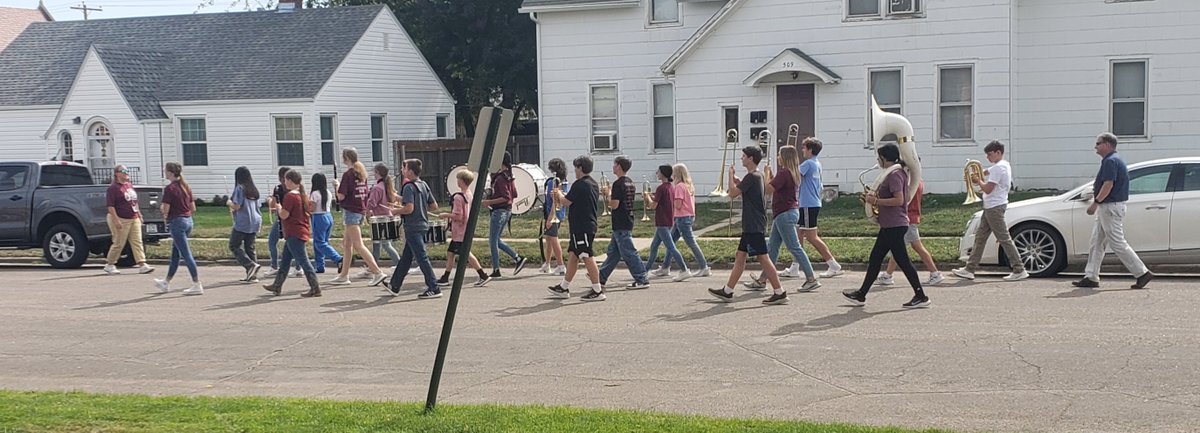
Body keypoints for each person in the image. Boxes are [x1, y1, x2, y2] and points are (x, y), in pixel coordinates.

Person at [842, 145, 930, 308]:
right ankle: (861, 294)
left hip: (895, 225)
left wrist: (876, 201)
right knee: (876, 258)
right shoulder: (894, 173)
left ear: (884, 158)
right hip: (890, 224)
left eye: (879, 157)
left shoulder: (895, 175)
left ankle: (921, 296)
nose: (877, 160)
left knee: (902, 261)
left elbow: (899, 200)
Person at [707, 146, 789, 305]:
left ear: (751, 159)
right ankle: (728, 291)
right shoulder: (756, 176)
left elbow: (732, 193)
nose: (741, 159)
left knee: (763, 258)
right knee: (740, 256)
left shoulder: (752, 177)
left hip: (753, 224)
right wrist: (737, 181)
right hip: (751, 223)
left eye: (744, 156)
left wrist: (730, 176)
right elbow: (744, 189)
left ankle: (780, 292)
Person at [1073, 133, 1154, 289]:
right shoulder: (1112, 160)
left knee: (1117, 242)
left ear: (1107, 145)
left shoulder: (1111, 161)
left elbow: (1108, 184)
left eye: (1098, 143)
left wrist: (1095, 203)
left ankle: (1142, 273)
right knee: (1096, 242)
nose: (1095, 146)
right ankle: (1091, 276)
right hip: (1109, 206)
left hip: (1110, 207)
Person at [952, 140, 1029, 282]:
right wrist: (974, 176)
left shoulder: (999, 168)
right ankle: (970, 269)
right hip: (991, 207)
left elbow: (988, 188)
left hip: (994, 207)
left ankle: (1019, 268)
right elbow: (986, 172)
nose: (988, 157)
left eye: (990, 154)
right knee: (980, 238)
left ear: (998, 152)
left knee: (1004, 238)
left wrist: (977, 180)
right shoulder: (1002, 165)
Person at [748, 145, 820, 292]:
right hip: (787, 212)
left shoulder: (785, 173)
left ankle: (811, 278)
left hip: (784, 214)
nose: (778, 158)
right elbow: (778, 185)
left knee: (794, 247)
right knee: (772, 248)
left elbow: (767, 190)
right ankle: (762, 280)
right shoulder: (791, 173)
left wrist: (766, 174)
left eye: (780, 155)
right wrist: (772, 176)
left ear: (785, 157)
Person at [548, 156, 603, 300]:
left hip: (582, 226)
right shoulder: (592, 183)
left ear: (580, 168)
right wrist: (562, 195)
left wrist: (557, 193)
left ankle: (597, 290)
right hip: (584, 225)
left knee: (586, 256)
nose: (575, 170)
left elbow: (566, 202)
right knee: (573, 256)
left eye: (576, 167)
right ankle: (564, 288)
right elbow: (575, 199)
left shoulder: (580, 184)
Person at [330, 148, 387, 286]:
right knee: (347, 244)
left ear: (346, 158)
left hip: (351, 211)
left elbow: (341, 196)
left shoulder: (348, 174)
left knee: (358, 245)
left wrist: (337, 186)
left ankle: (377, 272)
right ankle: (344, 275)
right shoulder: (361, 173)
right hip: (360, 209)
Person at [386, 159, 441, 299]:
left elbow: (409, 208)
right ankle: (395, 285)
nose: (402, 171)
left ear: (410, 171)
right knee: (406, 258)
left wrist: (395, 211)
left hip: (413, 226)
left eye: (404, 168)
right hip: (423, 224)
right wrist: (418, 207)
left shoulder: (409, 186)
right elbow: (434, 206)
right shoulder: (423, 184)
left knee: (422, 258)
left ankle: (434, 287)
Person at [262, 169, 322, 297]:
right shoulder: (302, 195)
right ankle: (277, 285)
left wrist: (278, 208)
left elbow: (284, 215)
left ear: (289, 181)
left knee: (304, 261)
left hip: (294, 233)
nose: (284, 182)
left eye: (285, 179)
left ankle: (315, 287)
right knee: (285, 260)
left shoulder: (290, 196)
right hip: (298, 232)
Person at [596, 155, 650, 296]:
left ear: (619, 166)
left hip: (620, 221)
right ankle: (600, 277)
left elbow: (614, 205)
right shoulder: (630, 182)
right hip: (627, 219)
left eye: (614, 164)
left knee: (629, 252)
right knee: (614, 252)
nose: (613, 167)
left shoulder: (618, 184)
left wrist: (607, 194)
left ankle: (641, 278)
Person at [876, 179, 944, 286]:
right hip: (911, 217)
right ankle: (887, 275)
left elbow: (902, 199)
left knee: (906, 248)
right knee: (906, 247)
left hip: (908, 217)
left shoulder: (909, 182)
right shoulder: (918, 180)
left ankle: (935, 273)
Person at [794, 138, 843, 278]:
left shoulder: (808, 164)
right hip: (810, 203)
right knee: (799, 235)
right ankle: (795, 267)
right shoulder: (817, 163)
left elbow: (794, 176)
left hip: (808, 204)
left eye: (804, 148)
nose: (802, 150)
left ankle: (833, 265)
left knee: (811, 237)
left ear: (810, 150)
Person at [153, 162, 203, 295]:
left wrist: (163, 212)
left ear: (170, 172)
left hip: (177, 223)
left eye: (165, 170)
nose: (164, 172)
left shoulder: (170, 189)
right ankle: (166, 282)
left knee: (186, 254)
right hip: (188, 221)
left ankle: (197, 283)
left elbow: (166, 209)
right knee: (175, 254)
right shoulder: (186, 187)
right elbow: (193, 208)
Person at [437, 169, 492, 288]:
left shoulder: (458, 197)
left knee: (466, 254)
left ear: (461, 181)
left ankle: (483, 275)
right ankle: (445, 277)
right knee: (451, 253)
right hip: (465, 228)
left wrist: (445, 215)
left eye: (458, 179)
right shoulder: (469, 194)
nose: (457, 181)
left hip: (459, 231)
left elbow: (459, 216)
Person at [481, 152, 528, 278]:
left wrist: (489, 201)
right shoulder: (509, 176)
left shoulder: (501, 178)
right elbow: (515, 194)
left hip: (499, 212)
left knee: (492, 241)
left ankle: (496, 270)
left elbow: (506, 197)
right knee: (496, 240)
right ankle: (517, 258)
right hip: (507, 211)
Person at [658, 163, 709, 277]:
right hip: (687, 216)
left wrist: (668, 202)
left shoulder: (680, 186)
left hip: (682, 217)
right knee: (670, 242)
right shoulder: (688, 185)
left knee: (690, 242)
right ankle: (665, 266)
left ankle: (704, 266)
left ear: (677, 173)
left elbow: (678, 204)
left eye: (674, 171)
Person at [103, 164, 153, 275]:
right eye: (123, 171)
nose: (126, 173)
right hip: (120, 218)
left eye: (127, 171)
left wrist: (139, 214)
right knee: (119, 243)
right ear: (117, 174)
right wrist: (116, 220)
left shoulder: (129, 185)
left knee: (137, 241)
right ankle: (110, 264)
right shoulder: (113, 188)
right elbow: (110, 206)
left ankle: (142, 264)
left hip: (133, 217)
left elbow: (134, 201)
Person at [643, 164, 689, 281]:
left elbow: (653, 206)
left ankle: (684, 269)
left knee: (671, 247)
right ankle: (645, 270)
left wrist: (647, 197)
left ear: (663, 174)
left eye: (658, 172)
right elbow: (663, 201)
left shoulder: (661, 188)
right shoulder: (670, 187)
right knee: (654, 246)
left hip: (662, 221)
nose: (656, 174)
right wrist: (652, 197)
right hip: (668, 220)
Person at [227, 166, 262, 282]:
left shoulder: (240, 188)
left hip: (243, 221)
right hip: (255, 220)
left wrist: (229, 203)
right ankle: (253, 275)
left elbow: (237, 206)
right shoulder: (253, 189)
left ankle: (250, 265)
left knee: (234, 245)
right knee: (249, 247)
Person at [366, 163, 401, 269]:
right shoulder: (386, 186)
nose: (374, 174)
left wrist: (367, 208)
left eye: (375, 172)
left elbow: (372, 203)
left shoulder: (377, 188)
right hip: (387, 217)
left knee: (385, 245)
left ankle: (399, 265)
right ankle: (372, 267)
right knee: (376, 245)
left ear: (378, 173)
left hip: (380, 219)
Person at [540, 158, 569, 275]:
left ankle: (561, 266)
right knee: (548, 239)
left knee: (553, 239)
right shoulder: (564, 181)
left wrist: (550, 218)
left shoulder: (554, 182)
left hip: (554, 214)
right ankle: (547, 264)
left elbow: (555, 201)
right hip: (558, 213)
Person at [309, 173, 342, 274]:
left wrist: (306, 205)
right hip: (328, 216)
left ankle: (338, 258)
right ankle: (320, 266)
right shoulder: (327, 192)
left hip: (318, 217)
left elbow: (312, 208)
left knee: (319, 243)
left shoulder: (314, 193)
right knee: (321, 242)